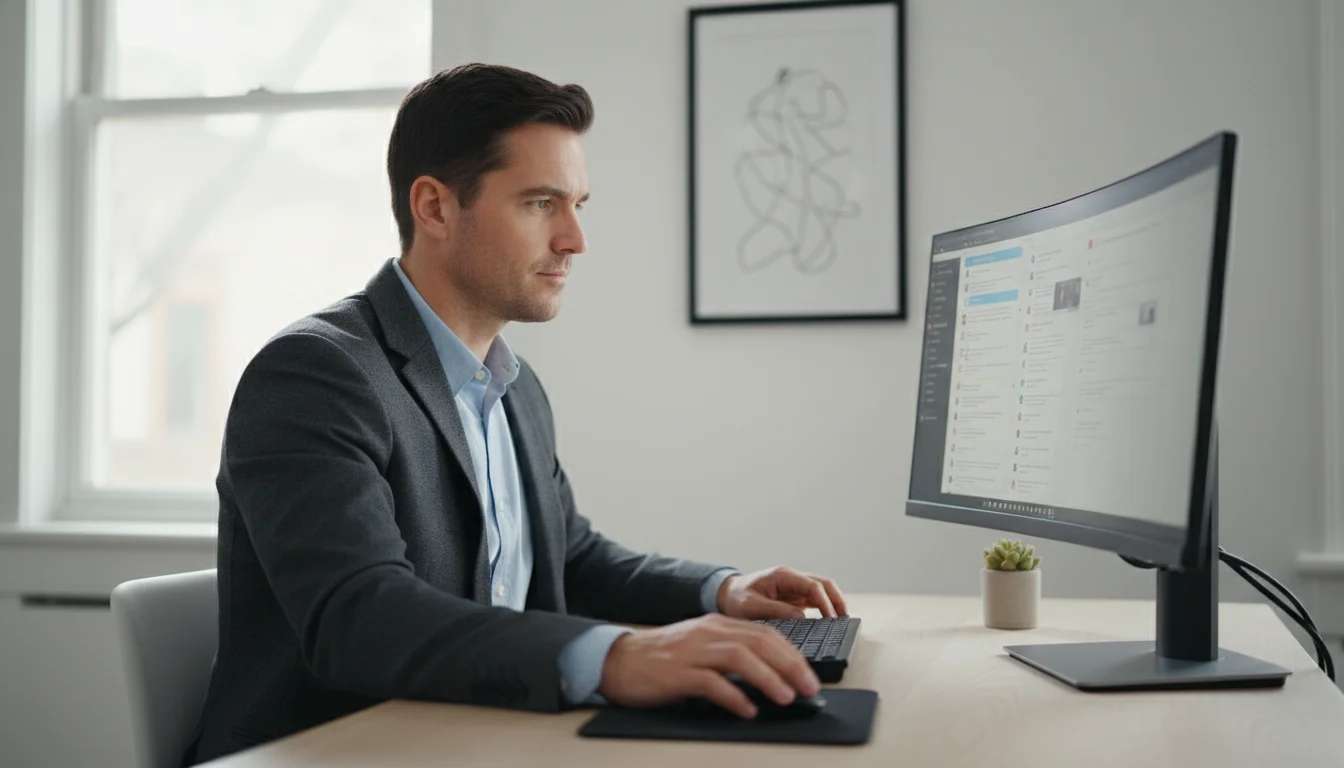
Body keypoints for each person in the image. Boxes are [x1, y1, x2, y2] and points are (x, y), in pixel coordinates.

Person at [186, 63, 848, 765]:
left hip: (475, 741)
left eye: (577, 205)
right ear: (435, 208)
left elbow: (570, 556)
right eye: (540, 203)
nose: (574, 239)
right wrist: (618, 656)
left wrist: (722, 591)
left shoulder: (514, 386)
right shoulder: (316, 374)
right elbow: (360, 616)